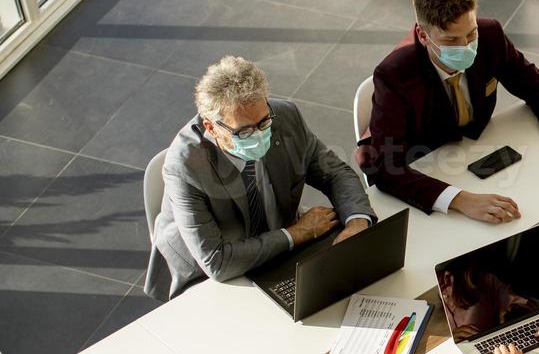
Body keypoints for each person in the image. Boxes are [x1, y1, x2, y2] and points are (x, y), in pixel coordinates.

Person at [357, 0, 539, 224]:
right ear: (423, 36)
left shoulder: (490, 35)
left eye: (471, 33)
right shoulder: (394, 75)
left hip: (474, 151)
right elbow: (386, 167)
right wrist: (459, 200)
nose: (466, 46)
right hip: (424, 166)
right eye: (451, 40)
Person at [145, 56, 376, 301]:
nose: (259, 135)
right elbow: (217, 262)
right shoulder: (185, 166)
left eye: (264, 122)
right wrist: (295, 234)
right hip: (210, 273)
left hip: (280, 247)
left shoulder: (286, 117)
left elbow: (335, 172)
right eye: (244, 131)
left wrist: (357, 223)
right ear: (212, 128)